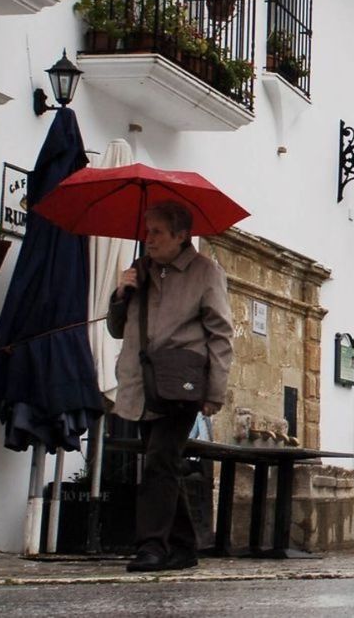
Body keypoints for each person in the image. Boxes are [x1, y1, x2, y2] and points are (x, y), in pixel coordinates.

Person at [107, 201, 233, 573]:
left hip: (181, 384)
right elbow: (117, 328)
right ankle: (183, 546)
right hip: (139, 383)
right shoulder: (139, 271)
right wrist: (120, 294)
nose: (149, 239)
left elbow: (221, 334)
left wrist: (214, 392)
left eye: (157, 232)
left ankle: (152, 546)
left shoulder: (206, 273)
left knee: (160, 461)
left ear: (181, 236)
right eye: (147, 231)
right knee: (163, 464)